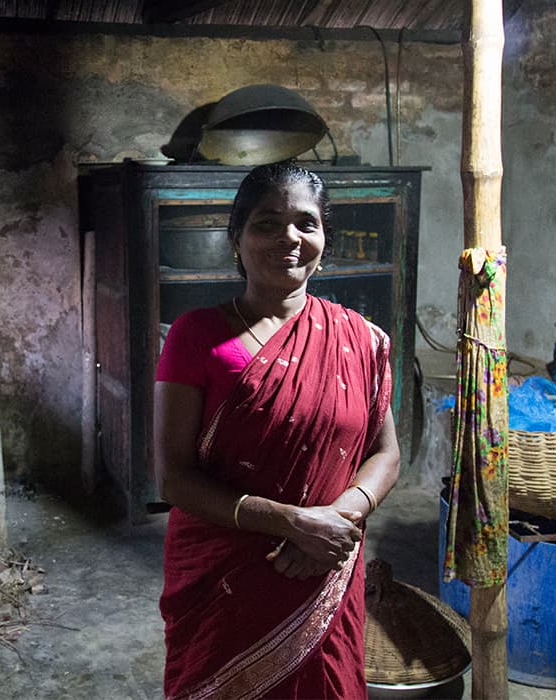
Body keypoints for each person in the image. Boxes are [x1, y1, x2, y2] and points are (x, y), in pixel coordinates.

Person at [154, 162, 400, 699]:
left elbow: (386, 455)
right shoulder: (197, 337)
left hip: (325, 564)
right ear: (236, 238)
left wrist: (335, 523)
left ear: (324, 238)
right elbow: (173, 478)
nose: (289, 237)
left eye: (306, 224)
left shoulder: (358, 339)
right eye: (267, 223)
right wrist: (291, 522)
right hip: (227, 575)